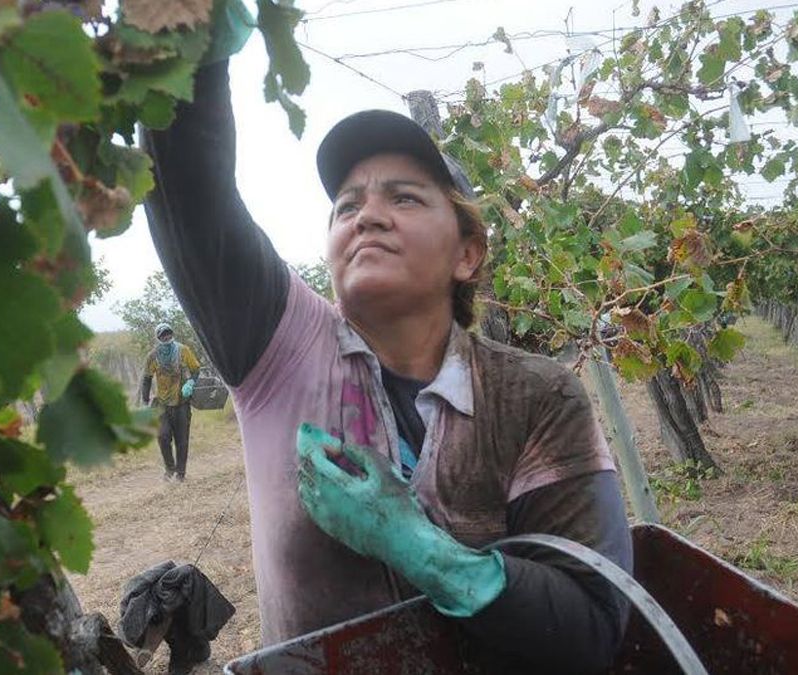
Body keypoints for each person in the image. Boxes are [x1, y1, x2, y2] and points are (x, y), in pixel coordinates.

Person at [140, 57, 634, 672]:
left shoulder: (537, 396)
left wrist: (418, 548)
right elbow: (188, 183)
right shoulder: (276, 345)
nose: (367, 216)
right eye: (346, 207)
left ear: (467, 254)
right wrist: (186, 38)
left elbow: (590, 629)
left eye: (405, 197)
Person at [141, 323, 201, 481]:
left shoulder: (183, 350)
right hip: (162, 403)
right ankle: (169, 469)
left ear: (172, 334)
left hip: (181, 402)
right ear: (158, 337)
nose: (166, 336)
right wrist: (145, 402)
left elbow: (196, 369)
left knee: (182, 440)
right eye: (163, 335)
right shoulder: (153, 356)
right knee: (163, 436)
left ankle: (181, 473)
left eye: (168, 333)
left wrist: (191, 382)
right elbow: (147, 378)